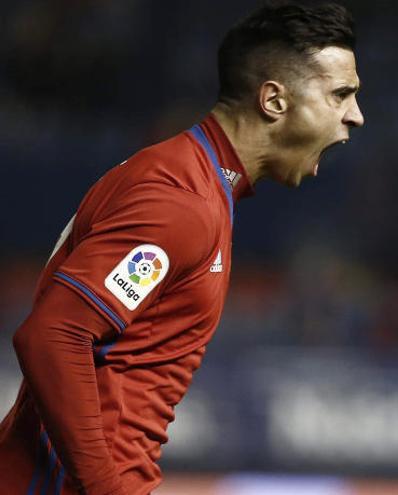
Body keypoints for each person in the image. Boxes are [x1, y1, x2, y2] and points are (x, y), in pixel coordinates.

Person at [0, 2, 363, 494]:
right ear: (274, 100)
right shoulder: (181, 202)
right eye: (341, 94)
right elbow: (53, 336)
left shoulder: (198, 185)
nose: (355, 117)